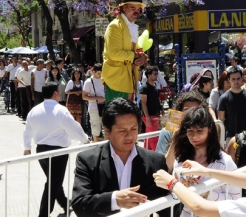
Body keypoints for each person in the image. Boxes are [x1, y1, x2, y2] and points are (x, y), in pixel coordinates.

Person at [71, 97, 170, 217]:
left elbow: (168, 208)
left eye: (134, 129)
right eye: (122, 131)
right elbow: (80, 204)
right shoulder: (88, 160)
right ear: (107, 130)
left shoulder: (156, 161)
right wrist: (115, 200)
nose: (129, 136)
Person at [24, 83, 89, 217]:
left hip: (41, 151)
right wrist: (85, 140)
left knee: (54, 180)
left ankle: (65, 204)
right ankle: (43, 214)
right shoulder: (60, 110)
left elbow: (27, 130)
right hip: (58, 152)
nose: (60, 94)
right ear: (55, 93)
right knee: (53, 183)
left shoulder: (34, 110)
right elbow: (74, 127)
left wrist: (27, 147)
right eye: (59, 92)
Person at [171, 107, 241, 217]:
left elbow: (236, 199)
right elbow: (173, 196)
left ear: (210, 129)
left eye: (199, 131)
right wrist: (179, 189)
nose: (194, 136)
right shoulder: (180, 160)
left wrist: (206, 193)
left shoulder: (225, 162)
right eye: (190, 131)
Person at [101, 0, 148, 103]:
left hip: (128, 81)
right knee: (117, 118)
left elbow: (134, 51)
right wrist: (134, 57)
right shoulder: (115, 26)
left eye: (139, 10)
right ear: (123, 8)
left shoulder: (131, 27)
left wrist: (143, 57)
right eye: (133, 8)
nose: (136, 12)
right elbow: (114, 53)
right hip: (116, 80)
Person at [160, 92, 206, 158]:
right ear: (179, 112)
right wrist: (175, 139)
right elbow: (162, 162)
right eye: (187, 111)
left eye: (195, 110)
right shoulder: (168, 133)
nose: (191, 114)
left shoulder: (205, 131)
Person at [218, 67, 246, 142]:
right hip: (230, 137)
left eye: (238, 78)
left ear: (242, 78)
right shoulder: (224, 98)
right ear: (228, 80)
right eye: (233, 79)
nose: (236, 81)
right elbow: (221, 121)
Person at [140, 66, 163, 150]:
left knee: (149, 136)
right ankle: (155, 152)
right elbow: (143, 103)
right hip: (149, 115)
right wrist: (147, 117)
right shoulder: (145, 87)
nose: (156, 75)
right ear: (149, 75)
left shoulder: (154, 86)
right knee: (153, 137)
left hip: (155, 114)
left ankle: (148, 152)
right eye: (154, 74)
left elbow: (156, 100)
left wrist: (162, 110)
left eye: (157, 73)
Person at [83, 63, 106, 142]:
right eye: (99, 73)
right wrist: (97, 98)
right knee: (95, 128)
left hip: (105, 106)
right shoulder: (88, 82)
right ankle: (96, 145)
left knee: (106, 127)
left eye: (101, 73)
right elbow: (84, 96)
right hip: (94, 107)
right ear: (93, 72)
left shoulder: (104, 79)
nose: (100, 75)